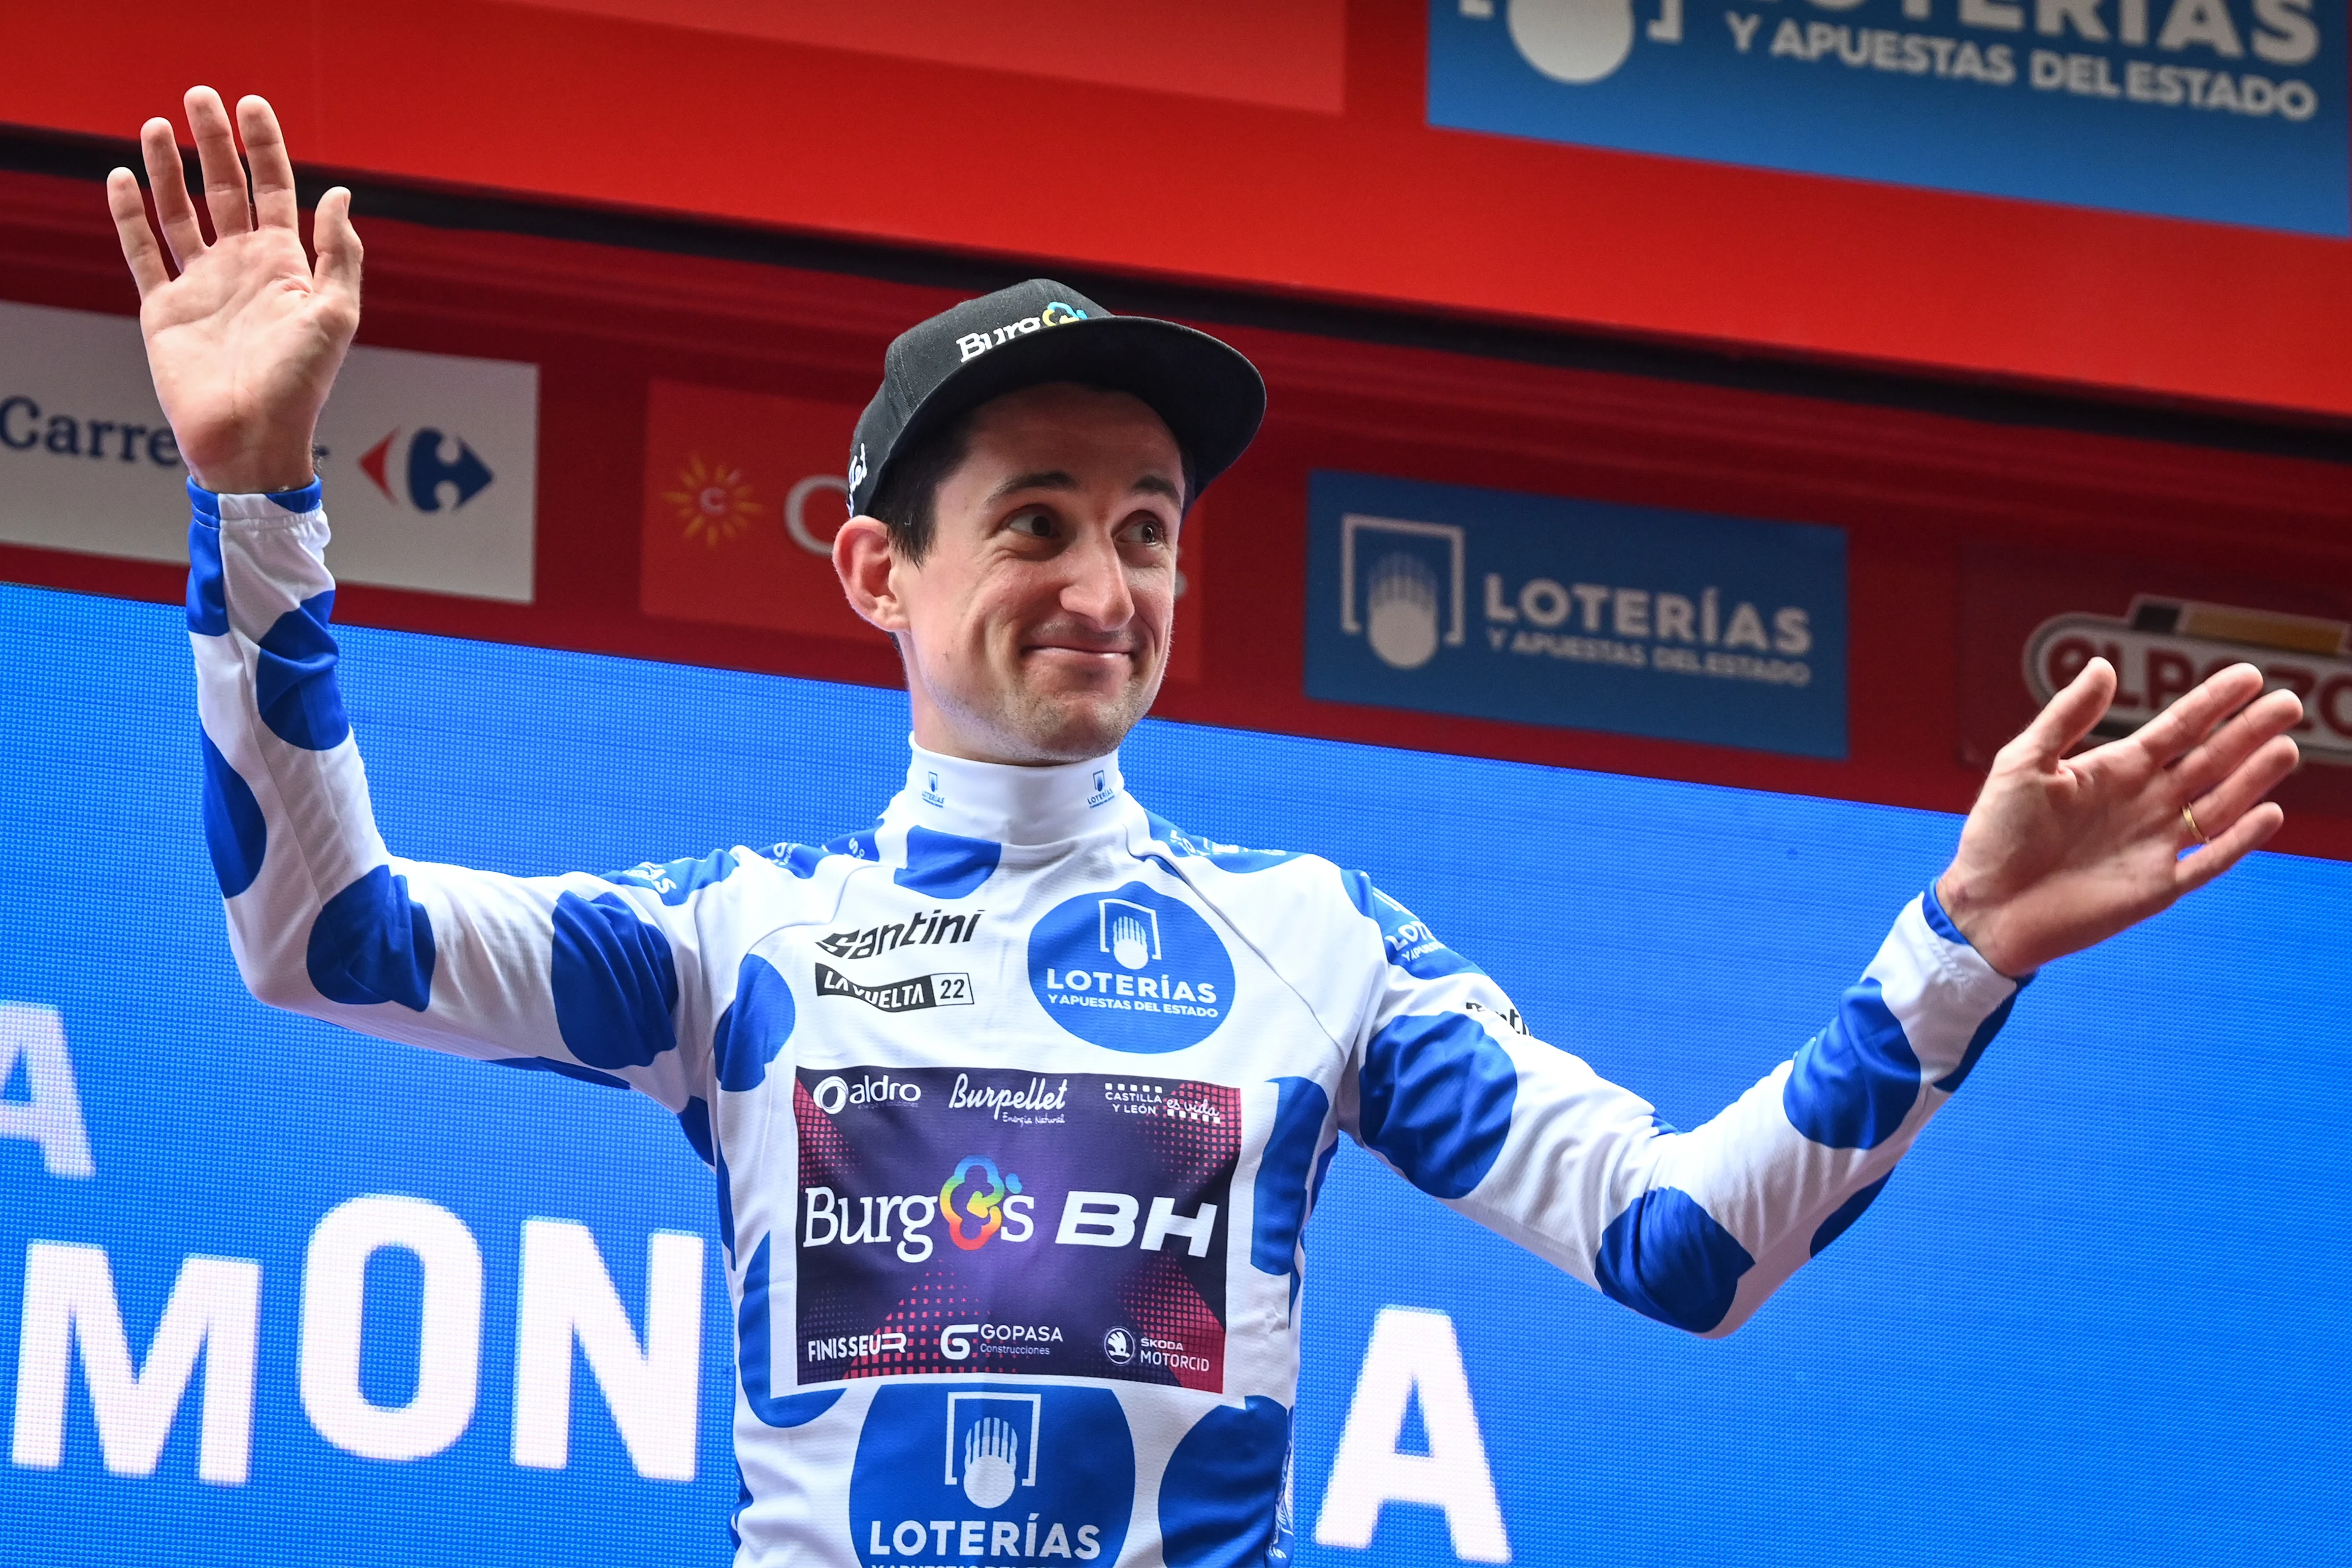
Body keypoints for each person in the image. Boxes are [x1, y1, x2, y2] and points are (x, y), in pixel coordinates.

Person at [110, 88, 2302, 1568]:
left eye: (1145, 527)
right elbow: (327, 936)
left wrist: (1963, 944)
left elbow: (1682, 1250)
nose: (1105, 581)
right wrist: (256, 501)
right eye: (1038, 519)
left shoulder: (1317, 945)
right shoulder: (735, 940)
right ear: (879, 572)